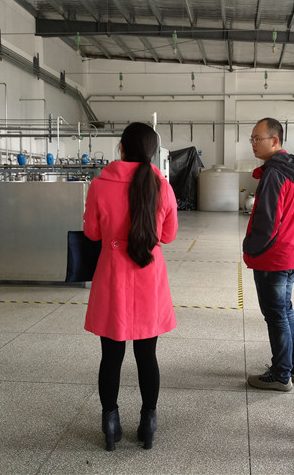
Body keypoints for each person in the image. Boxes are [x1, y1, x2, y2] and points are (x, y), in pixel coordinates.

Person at [83, 122, 178, 451]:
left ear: (121, 148)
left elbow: (92, 233)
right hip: (148, 278)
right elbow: (168, 236)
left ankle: (110, 423)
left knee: (111, 356)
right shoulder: (161, 185)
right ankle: (148, 422)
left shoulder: (100, 185)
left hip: (113, 279)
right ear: (152, 152)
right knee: (146, 354)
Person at [243, 117, 294, 392]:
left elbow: (267, 223)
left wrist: (250, 248)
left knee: (276, 316)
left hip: (274, 258)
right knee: (285, 310)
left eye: (258, 138)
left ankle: (281, 374)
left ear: (275, 140)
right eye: (252, 139)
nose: (253, 144)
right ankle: (293, 366)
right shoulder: (291, 169)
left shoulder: (274, 174)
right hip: (291, 253)